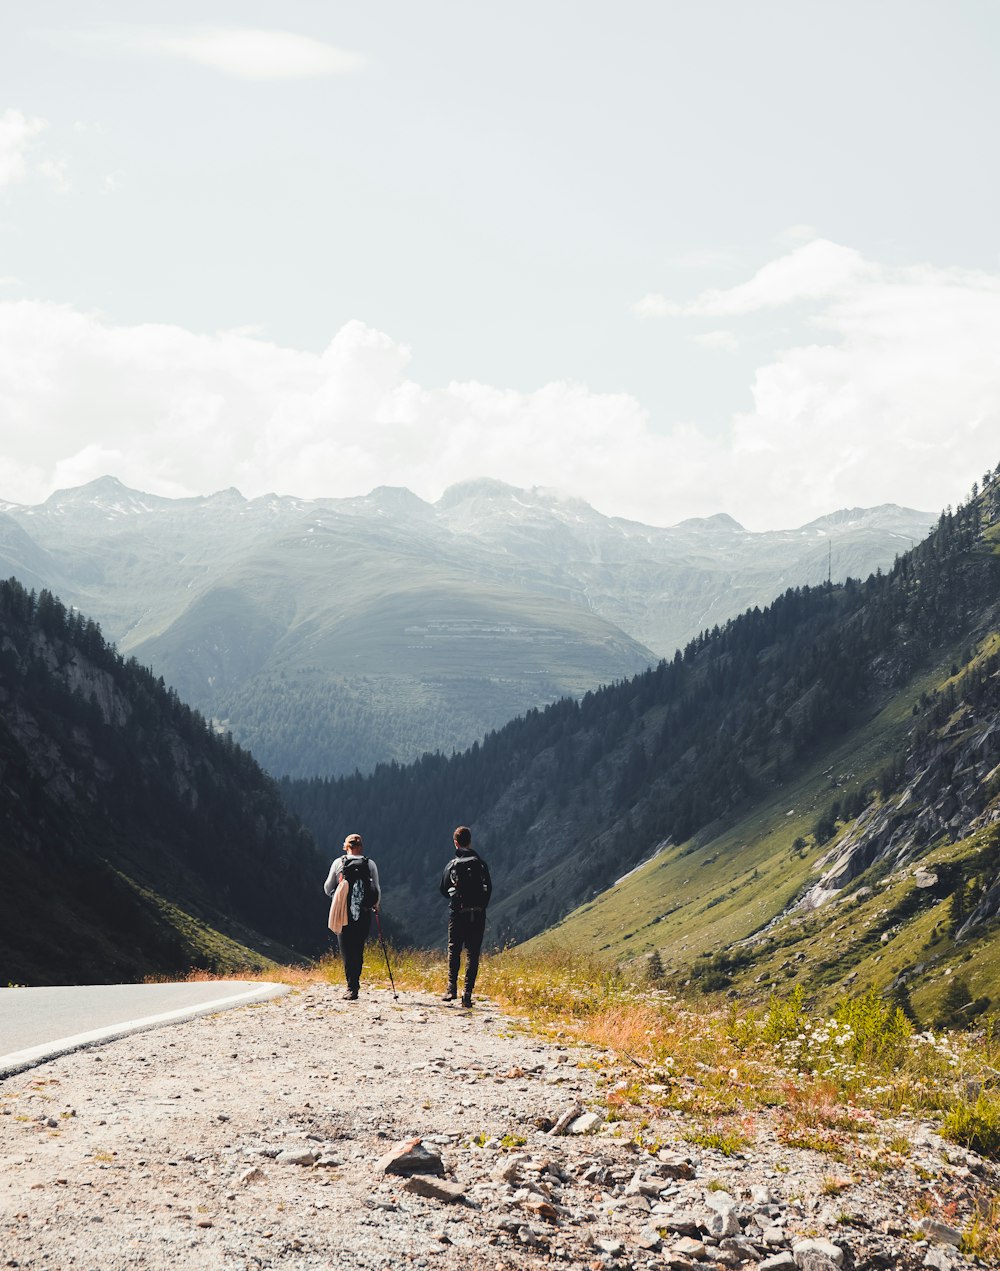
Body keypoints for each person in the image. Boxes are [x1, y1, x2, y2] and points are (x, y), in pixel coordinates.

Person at [439, 825, 492, 1007]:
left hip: (458, 914)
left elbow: (443, 890)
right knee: (473, 953)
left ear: (455, 843)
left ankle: (451, 987)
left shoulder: (452, 865)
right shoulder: (481, 864)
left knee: (454, 949)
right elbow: (489, 889)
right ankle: (467, 994)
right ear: (470, 841)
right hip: (477, 914)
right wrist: (481, 907)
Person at [324, 833, 381, 1001]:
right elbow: (377, 889)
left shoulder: (338, 863)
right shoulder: (370, 864)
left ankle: (351, 987)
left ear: (346, 846)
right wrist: (375, 906)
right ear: (361, 846)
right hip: (363, 913)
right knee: (358, 948)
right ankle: (356, 982)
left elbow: (327, 887)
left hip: (344, 913)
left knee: (346, 950)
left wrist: (337, 896)